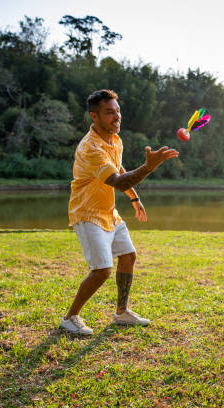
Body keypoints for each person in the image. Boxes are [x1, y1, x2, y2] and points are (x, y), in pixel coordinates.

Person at [60, 89, 179, 335]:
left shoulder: (115, 140)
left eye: (117, 111)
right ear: (94, 116)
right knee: (102, 270)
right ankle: (70, 317)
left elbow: (119, 168)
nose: (116, 117)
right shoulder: (90, 148)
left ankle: (122, 312)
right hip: (87, 213)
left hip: (108, 211)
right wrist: (148, 167)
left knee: (128, 256)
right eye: (109, 112)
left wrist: (135, 198)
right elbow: (118, 180)